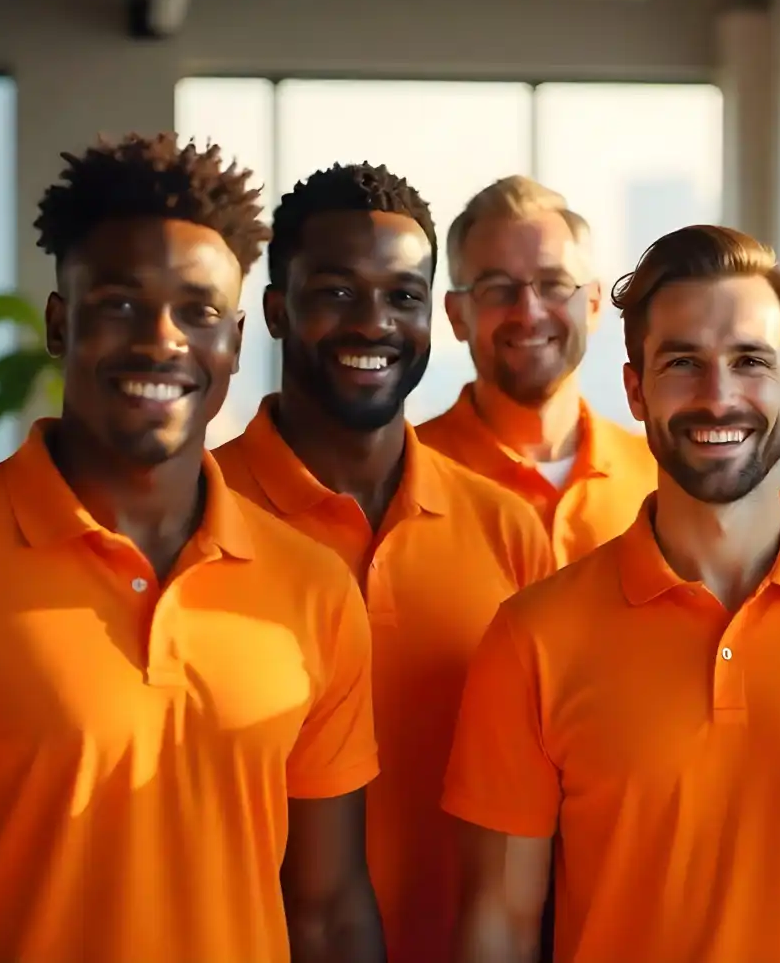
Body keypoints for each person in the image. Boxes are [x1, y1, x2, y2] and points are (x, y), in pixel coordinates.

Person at [0, 134, 383, 962]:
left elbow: (329, 913)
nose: (161, 340)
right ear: (60, 324)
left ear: (238, 343)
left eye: (198, 312)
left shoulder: (314, 589)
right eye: (119, 304)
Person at [442, 226, 780, 963]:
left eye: (749, 362)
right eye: (683, 364)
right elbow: (499, 929)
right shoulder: (532, 640)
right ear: (635, 389)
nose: (718, 396)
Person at [213, 162, 555, 962]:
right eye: (335, 292)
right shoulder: (204, 516)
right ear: (274, 311)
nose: (373, 323)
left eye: (402, 296)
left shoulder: (507, 530)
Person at [419, 175, 658, 564]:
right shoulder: (404, 479)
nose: (529, 313)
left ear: (594, 304)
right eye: (497, 289)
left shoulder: (662, 478)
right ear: (456, 315)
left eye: (554, 284)